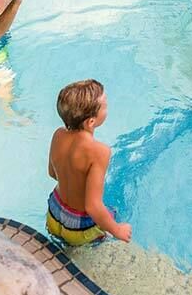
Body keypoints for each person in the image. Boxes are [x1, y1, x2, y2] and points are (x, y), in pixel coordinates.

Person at [46, 79, 132, 245]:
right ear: (91, 121)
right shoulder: (99, 152)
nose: (108, 106)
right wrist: (117, 229)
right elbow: (93, 207)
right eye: (105, 105)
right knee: (112, 217)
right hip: (79, 228)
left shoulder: (58, 134)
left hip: (54, 211)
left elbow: (52, 173)